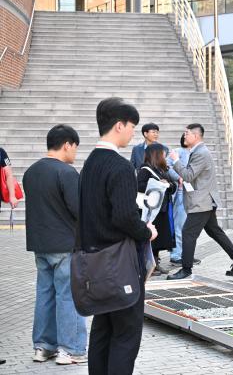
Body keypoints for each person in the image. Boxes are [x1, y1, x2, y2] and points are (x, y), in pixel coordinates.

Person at [79, 97, 158, 375]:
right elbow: (124, 217)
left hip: (94, 262)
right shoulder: (119, 166)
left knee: (102, 329)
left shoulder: (89, 163)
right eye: (132, 127)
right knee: (126, 334)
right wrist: (146, 230)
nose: (132, 133)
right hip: (120, 263)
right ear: (119, 125)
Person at [23, 124, 87, 365]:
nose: (75, 153)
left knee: (45, 295)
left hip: (40, 244)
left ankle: (43, 347)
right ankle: (70, 350)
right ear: (67, 144)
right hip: (66, 245)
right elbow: (79, 210)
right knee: (69, 296)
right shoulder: (67, 173)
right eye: (75, 148)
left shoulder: (31, 171)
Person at [167, 123, 233, 280]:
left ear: (196, 136)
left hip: (202, 202)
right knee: (215, 231)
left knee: (188, 233)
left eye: (187, 133)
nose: (184, 136)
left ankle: (186, 269)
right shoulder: (198, 152)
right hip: (205, 200)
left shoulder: (201, 153)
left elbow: (188, 175)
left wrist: (176, 161)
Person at [138, 143, 177, 276]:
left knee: (158, 241)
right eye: (162, 153)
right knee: (151, 240)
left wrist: (168, 185)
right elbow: (140, 186)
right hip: (152, 212)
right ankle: (149, 265)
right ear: (156, 154)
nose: (164, 155)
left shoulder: (160, 169)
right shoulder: (145, 169)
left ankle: (155, 263)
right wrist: (159, 184)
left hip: (162, 209)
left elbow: (173, 187)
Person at [167, 134, 199, 266]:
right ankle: (176, 255)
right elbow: (167, 166)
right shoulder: (177, 152)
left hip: (193, 194)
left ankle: (186, 255)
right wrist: (178, 178)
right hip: (181, 192)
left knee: (189, 226)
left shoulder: (196, 153)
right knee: (179, 225)